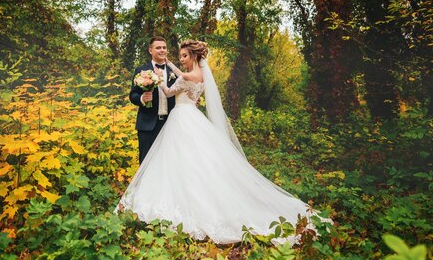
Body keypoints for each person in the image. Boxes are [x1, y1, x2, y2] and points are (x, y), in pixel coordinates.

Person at [117, 39, 330, 244]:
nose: (179, 58)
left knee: (184, 161)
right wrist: (162, 74)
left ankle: (188, 202)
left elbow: (170, 90)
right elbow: (182, 80)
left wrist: (160, 80)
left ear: (192, 55)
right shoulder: (198, 75)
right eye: (177, 55)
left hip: (181, 119)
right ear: (151, 50)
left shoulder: (185, 76)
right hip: (190, 117)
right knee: (196, 161)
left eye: (183, 55)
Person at [129, 36, 178, 164]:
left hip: (170, 125)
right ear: (150, 50)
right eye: (158, 48)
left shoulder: (174, 71)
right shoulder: (141, 71)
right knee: (146, 162)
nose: (162, 50)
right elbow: (132, 95)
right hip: (147, 125)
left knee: (168, 163)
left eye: (164, 47)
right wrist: (142, 98)